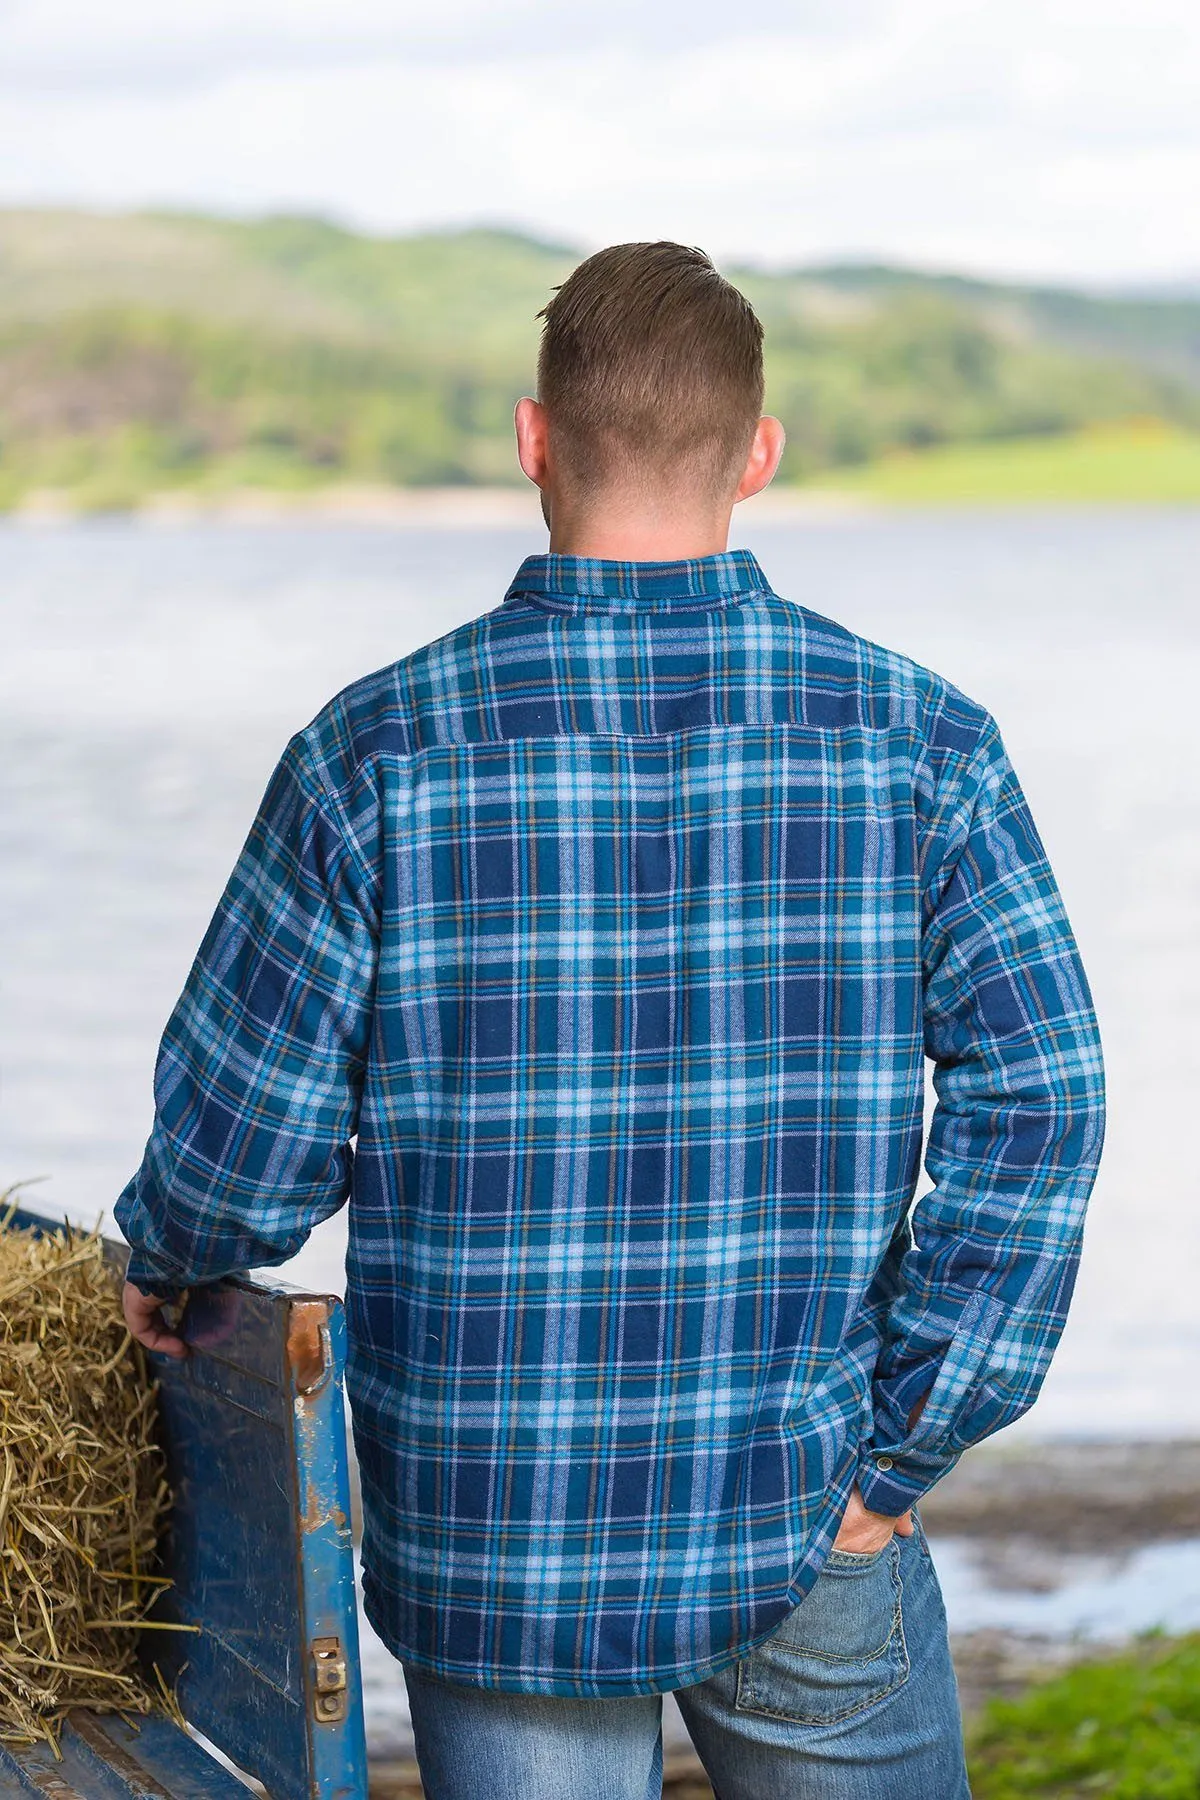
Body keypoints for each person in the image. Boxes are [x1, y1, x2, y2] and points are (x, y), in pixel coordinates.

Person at [116, 241, 1106, 1799]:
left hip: (498, 1528)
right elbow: (1043, 1101)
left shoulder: (371, 753)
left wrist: (168, 1265)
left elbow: (246, 1156)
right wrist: (906, 1442)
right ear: (758, 455)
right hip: (801, 1491)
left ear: (533, 440)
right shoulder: (925, 742)